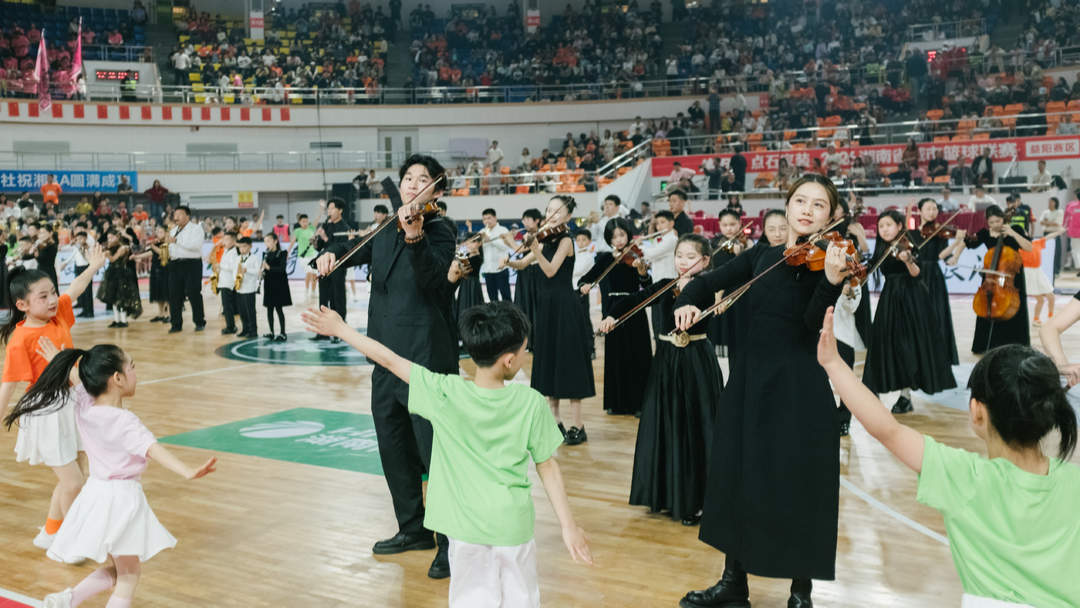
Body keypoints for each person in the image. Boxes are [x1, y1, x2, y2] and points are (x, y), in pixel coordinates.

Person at [302, 302, 591, 607]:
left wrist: (340, 329)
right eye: (524, 350)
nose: (524, 354)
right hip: (512, 528)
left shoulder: (445, 393)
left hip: (463, 531)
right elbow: (548, 467)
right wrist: (568, 527)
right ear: (508, 361)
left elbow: (388, 360)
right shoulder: (530, 402)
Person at [675, 175, 851, 608]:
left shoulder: (827, 260)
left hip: (797, 384)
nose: (808, 210)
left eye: (820, 205)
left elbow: (811, 323)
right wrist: (687, 297)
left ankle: (800, 592)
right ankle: (734, 582)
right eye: (800, 201)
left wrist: (830, 282)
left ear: (832, 217)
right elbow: (711, 277)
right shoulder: (763, 254)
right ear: (787, 206)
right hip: (750, 377)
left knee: (800, 482)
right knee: (738, 474)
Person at [819, 321, 1080, 607]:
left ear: (977, 411)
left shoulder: (965, 478)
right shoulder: (1074, 482)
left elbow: (887, 430)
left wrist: (833, 363)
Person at [314, 155, 457, 579]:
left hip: (425, 360)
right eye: (408, 178)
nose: (412, 185)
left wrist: (415, 238)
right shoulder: (383, 229)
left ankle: (450, 541)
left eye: (422, 180)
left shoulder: (441, 231)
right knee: (394, 448)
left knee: (437, 453)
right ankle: (413, 528)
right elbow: (348, 247)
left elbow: (435, 281)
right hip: (381, 355)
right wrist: (329, 254)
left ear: (437, 191)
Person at [20, 345, 218, 608]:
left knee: (121, 568)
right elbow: (154, 450)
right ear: (117, 378)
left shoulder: (84, 404)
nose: (136, 371)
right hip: (123, 500)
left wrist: (58, 358)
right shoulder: (126, 422)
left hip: (96, 495)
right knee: (129, 574)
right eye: (132, 366)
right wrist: (187, 471)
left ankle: (66, 599)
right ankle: (67, 599)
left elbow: (80, 380)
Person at [599, 233, 721, 525]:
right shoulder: (666, 285)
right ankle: (667, 494)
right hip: (666, 360)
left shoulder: (708, 285)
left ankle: (699, 499)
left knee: (695, 426)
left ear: (705, 261)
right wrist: (612, 316)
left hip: (695, 360)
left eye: (691, 257)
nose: (683, 261)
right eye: (680, 255)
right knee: (666, 423)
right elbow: (636, 299)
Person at [0, 254, 105, 554]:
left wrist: (94, 267)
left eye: (52, 292)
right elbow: (8, 386)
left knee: (74, 477)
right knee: (73, 483)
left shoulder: (57, 313)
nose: (53, 299)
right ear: (22, 305)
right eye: (43, 296)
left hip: (72, 401)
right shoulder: (20, 340)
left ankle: (50, 532)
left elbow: (76, 289)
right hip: (46, 410)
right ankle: (68, 543)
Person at [502, 196, 596, 446]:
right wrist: (509, 261)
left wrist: (535, 250)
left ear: (567, 217)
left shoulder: (566, 240)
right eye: (549, 210)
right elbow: (523, 264)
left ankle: (578, 424)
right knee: (550, 359)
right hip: (546, 306)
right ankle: (555, 421)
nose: (552, 214)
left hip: (565, 305)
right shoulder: (544, 239)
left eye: (558, 211)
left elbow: (551, 270)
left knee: (570, 362)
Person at [862, 210, 957, 414]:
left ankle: (905, 396)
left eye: (889, 225)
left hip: (911, 299)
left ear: (899, 226)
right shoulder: (882, 248)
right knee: (884, 344)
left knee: (907, 345)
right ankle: (875, 387)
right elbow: (868, 269)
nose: (884, 229)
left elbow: (917, 274)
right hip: (889, 299)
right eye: (881, 227)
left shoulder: (908, 244)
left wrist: (908, 261)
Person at [577, 218, 652, 416]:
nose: (619, 240)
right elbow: (586, 278)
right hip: (611, 311)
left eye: (622, 235)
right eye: (613, 237)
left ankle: (639, 403)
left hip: (634, 308)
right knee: (616, 355)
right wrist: (584, 285)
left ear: (628, 234)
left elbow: (647, 283)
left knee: (637, 355)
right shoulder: (604, 259)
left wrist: (641, 270)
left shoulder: (636, 256)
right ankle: (617, 403)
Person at [948, 205, 1034, 353]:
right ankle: (985, 345)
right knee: (987, 306)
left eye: (998, 221)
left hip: (1011, 277)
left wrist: (1012, 232)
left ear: (1003, 218)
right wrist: (955, 256)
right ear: (987, 222)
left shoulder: (1015, 230)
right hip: (991, 275)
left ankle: (1016, 344)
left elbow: (1029, 247)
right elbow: (966, 242)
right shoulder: (984, 233)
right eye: (992, 222)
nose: (995, 225)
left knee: (1015, 308)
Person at [910, 199, 961, 365]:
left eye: (934, 209)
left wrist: (956, 243)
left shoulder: (940, 231)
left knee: (938, 313)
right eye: (928, 208)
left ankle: (939, 355)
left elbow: (942, 256)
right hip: (916, 274)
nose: (932, 212)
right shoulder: (911, 233)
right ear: (919, 211)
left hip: (934, 275)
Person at [312, 199, 353, 343]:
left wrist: (324, 237)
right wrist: (316, 242)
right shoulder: (327, 226)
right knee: (323, 298)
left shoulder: (345, 228)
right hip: (324, 267)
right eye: (328, 209)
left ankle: (339, 332)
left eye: (332, 208)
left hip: (337, 267)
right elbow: (322, 247)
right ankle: (323, 331)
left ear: (340, 210)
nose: (329, 211)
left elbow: (339, 250)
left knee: (337, 298)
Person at [166, 206, 206, 333]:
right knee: (174, 294)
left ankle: (199, 321)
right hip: (175, 263)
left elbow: (195, 246)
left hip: (191, 263)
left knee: (193, 293)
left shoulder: (196, 229)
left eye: (179, 214)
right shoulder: (173, 230)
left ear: (187, 216)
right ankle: (176, 324)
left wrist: (176, 240)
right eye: (175, 214)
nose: (176, 217)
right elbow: (172, 248)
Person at [97, 232, 141, 328]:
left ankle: (123, 320)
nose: (110, 240)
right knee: (113, 298)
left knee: (121, 298)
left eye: (112, 237)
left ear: (117, 237)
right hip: (112, 274)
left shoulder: (122, 248)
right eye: (108, 238)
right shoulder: (111, 247)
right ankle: (117, 320)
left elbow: (113, 259)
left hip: (121, 275)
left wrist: (107, 255)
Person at [1023, 228, 1065, 326]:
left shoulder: (1037, 243)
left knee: (1051, 297)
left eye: (1025, 233)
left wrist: (1058, 232)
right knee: (1040, 300)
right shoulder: (1018, 248)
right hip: (1028, 273)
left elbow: (1048, 236)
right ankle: (1036, 319)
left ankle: (1050, 317)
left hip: (1039, 272)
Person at [132, 226, 169, 324]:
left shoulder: (168, 244)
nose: (159, 235)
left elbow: (162, 253)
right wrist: (137, 256)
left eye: (161, 232)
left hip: (165, 269)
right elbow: (150, 253)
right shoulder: (157, 243)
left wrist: (152, 246)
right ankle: (161, 314)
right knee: (158, 292)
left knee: (166, 293)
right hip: (155, 268)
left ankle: (169, 314)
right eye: (158, 232)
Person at [261, 232, 292, 341]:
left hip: (279, 284)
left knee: (278, 308)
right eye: (265, 242)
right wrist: (263, 272)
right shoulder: (265, 254)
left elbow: (282, 268)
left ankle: (283, 332)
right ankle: (271, 332)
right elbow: (265, 269)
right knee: (269, 309)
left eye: (268, 241)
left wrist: (269, 268)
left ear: (275, 241)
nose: (267, 244)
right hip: (269, 283)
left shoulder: (282, 253)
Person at [477, 208, 511, 302]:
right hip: (488, 269)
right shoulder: (482, 231)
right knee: (492, 297)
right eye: (484, 219)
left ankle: (509, 316)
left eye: (489, 218)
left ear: (495, 218)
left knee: (506, 296)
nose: (487, 221)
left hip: (501, 268)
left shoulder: (503, 230)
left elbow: (506, 246)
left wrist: (490, 239)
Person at [62, 231, 96, 318]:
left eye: (80, 239)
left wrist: (78, 247)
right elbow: (73, 257)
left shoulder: (89, 247)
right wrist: (65, 263)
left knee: (88, 290)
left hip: (86, 268)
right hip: (78, 267)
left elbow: (87, 258)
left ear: (85, 239)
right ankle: (84, 309)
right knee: (81, 290)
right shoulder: (76, 247)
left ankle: (90, 311)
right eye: (77, 239)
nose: (78, 241)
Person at [234, 237, 261, 338]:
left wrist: (247, 270)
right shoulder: (237, 258)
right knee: (241, 310)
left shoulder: (254, 258)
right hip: (239, 288)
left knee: (250, 310)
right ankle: (245, 329)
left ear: (251, 246)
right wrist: (235, 280)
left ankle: (253, 330)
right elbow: (234, 270)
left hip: (249, 288)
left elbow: (259, 272)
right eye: (240, 247)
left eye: (245, 247)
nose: (242, 249)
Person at [216, 232, 241, 335]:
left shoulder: (233, 252)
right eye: (224, 239)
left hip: (228, 283)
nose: (224, 241)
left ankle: (231, 326)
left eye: (227, 239)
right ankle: (230, 325)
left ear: (234, 241)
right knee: (226, 306)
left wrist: (221, 266)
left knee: (227, 306)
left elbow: (233, 267)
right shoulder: (227, 251)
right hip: (224, 282)